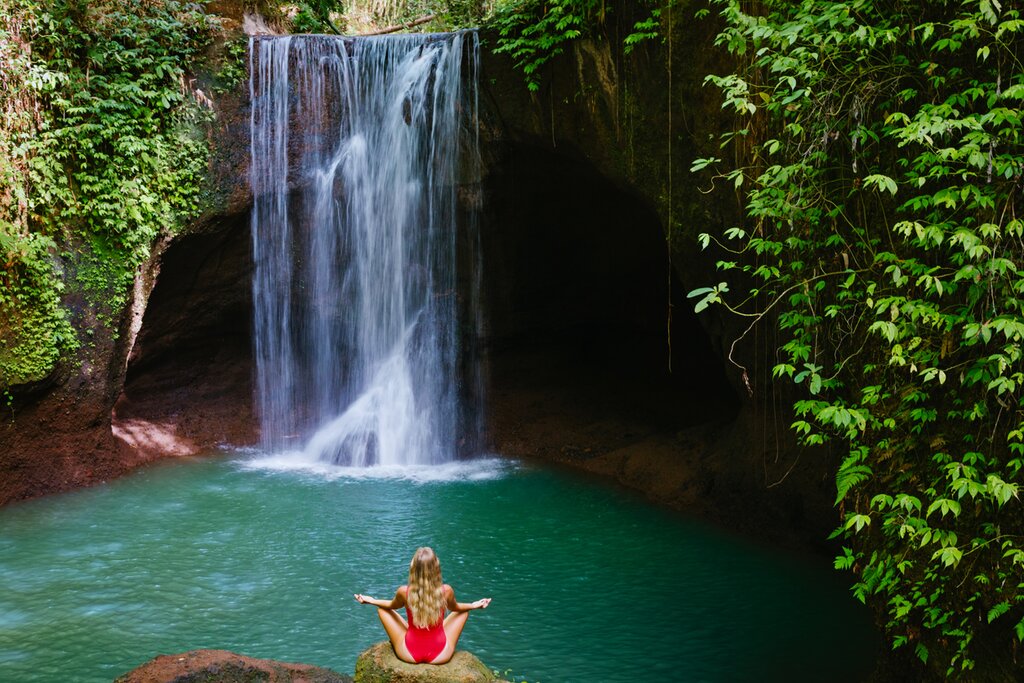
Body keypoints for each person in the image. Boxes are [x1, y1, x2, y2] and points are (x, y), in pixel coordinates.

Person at [354, 546, 491, 665]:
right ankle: (427, 634)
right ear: (436, 568)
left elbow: (390, 606)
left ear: (414, 569)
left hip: (409, 654)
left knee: (383, 610)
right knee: (464, 611)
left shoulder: (404, 592)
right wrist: (473, 605)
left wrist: (371, 600)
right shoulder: (446, 591)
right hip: (440, 655)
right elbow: (456, 608)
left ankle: (416, 632)